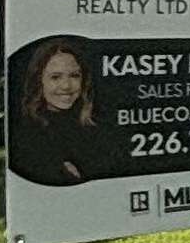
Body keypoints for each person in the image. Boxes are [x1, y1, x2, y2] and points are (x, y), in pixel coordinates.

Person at [7, 37, 124, 185]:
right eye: (55, 77)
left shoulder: (97, 125)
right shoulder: (26, 132)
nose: (66, 86)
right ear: (38, 80)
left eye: (74, 76)